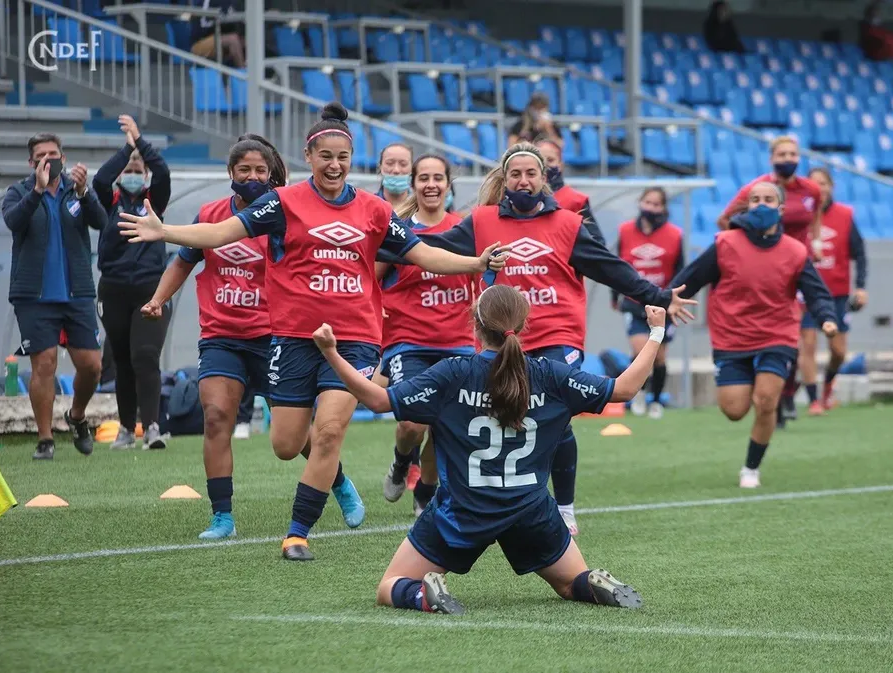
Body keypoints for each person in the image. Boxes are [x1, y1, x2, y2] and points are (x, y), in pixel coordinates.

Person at [119, 103, 509, 560]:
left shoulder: (374, 210)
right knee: (286, 444)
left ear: (351, 158)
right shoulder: (282, 203)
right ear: (310, 157)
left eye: (343, 157)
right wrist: (164, 232)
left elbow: (422, 254)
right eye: (326, 156)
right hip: (293, 340)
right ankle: (335, 488)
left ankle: (298, 533)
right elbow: (221, 232)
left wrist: (476, 263)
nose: (335, 165)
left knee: (328, 432)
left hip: (355, 339)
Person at [312, 285, 675, 614]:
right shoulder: (550, 374)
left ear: (475, 324)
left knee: (389, 587)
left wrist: (330, 352)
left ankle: (424, 594)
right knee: (569, 584)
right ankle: (590, 580)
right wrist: (656, 332)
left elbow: (377, 400)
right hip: (530, 510)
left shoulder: (453, 373)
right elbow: (625, 389)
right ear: (525, 325)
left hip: (462, 510)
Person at [395, 142, 697, 535]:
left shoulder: (569, 224)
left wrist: (658, 297)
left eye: (531, 173)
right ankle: (463, 497)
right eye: (515, 174)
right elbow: (433, 248)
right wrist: (381, 240)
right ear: (505, 181)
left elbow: (612, 270)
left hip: (558, 334)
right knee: (477, 418)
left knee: (557, 417)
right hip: (503, 338)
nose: (523, 180)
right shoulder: (482, 221)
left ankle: (566, 508)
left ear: (544, 179)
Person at [139, 133, 286, 539]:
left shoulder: (285, 215)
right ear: (231, 174)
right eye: (245, 170)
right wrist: (158, 299)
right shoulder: (210, 213)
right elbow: (184, 262)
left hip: (274, 337)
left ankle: (338, 481)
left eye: (260, 170)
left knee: (292, 436)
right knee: (217, 416)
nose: (253, 177)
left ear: (272, 174)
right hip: (222, 336)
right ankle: (222, 516)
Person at [670, 182, 837, 488]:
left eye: (768, 199)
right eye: (755, 199)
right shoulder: (725, 243)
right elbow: (689, 279)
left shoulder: (796, 251)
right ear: (746, 206)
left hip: (777, 334)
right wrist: (665, 301)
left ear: (781, 209)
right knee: (734, 409)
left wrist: (827, 318)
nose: (761, 204)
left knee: (766, 400)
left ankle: (751, 468)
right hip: (731, 338)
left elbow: (817, 294)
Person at [379, 154, 475, 516]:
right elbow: (368, 278)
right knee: (411, 422)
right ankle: (402, 462)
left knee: (445, 427)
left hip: (459, 342)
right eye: (424, 178)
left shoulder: (465, 230)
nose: (431, 185)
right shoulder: (398, 230)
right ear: (414, 184)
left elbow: (482, 284)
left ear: (449, 185)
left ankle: (426, 494)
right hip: (409, 342)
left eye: (438, 178)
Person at [3, 133, 107, 460]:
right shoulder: (19, 191)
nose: (48, 159)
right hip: (34, 295)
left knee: (91, 366)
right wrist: (36, 190)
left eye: (53, 153)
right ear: (31, 162)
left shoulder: (75, 190)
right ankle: (45, 439)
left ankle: (76, 416)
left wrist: (85, 193)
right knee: (43, 364)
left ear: (63, 155)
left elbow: (102, 222)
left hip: (76, 293)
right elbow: (13, 221)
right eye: (41, 155)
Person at [719, 136, 823, 425]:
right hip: (766, 271)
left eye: (793, 153)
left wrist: (815, 241)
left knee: (803, 338)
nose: (788, 158)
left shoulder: (812, 189)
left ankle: (785, 394)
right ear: (771, 157)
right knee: (774, 335)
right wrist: (745, 245)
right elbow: (724, 220)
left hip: (798, 270)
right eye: (782, 153)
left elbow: (814, 218)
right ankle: (773, 397)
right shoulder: (756, 190)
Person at [92, 114, 172, 451]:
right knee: (122, 359)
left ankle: (152, 427)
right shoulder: (107, 203)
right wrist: (127, 151)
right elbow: (100, 178)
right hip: (113, 289)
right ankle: (126, 428)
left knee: (145, 355)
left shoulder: (155, 201)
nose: (134, 175)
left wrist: (140, 143)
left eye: (139, 170)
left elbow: (163, 172)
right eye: (129, 170)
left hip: (150, 287)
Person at [798, 168, 868, 414]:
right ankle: (813, 400)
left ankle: (827, 387)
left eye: (824, 183)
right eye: (814, 183)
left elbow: (860, 254)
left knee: (838, 351)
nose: (820, 188)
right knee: (807, 344)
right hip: (806, 293)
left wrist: (861, 287)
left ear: (831, 187)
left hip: (837, 293)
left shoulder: (845, 216)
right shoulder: (800, 216)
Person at [611, 187, 684, 419]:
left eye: (656, 204)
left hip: (662, 303)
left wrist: (673, 299)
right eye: (647, 202)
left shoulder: (675, 234)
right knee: (641, 349)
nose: (651, 208)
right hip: (634, 301)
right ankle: (639, 393)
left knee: (660, 356)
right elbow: (616, 266)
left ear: (663, 208)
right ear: (640, 203)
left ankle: (655, 400)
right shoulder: (625, 230)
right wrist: (615, 295)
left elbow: (680, 270)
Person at [536, 138, 605, 245]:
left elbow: (597, 243)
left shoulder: (576, 200)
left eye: (550, 160)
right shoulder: (522, 198)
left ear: (561, 164)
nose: (545, 165)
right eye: (540, 161)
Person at [189, 0, 245, 68]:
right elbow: (202, 26)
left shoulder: (234, 2)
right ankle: (244, 74)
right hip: (200, 43)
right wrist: (221, 22)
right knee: (233, 39)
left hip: (222, 41)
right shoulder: (206, 2)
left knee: (245, 40)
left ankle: (251, 71)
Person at [376, 143, 414, 212]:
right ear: (380, 167)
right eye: (390, 163)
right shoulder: (368, 206)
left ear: (412, 168)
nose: (396, 170)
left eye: (403, 164)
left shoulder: (421, 208)